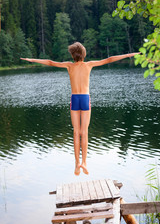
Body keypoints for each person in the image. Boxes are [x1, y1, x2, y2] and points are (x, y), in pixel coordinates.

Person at [21, 42, 139, 176]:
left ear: (72, 55)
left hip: (74, 99)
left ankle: (77, 164)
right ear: (84, 54)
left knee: (76, 132)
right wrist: (130, 54)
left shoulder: (69, 66)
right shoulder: (89, 65)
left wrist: (31, 59)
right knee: (84, 132)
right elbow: (109, 59)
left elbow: (50, 62)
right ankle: (84, 163)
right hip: (85, 98)